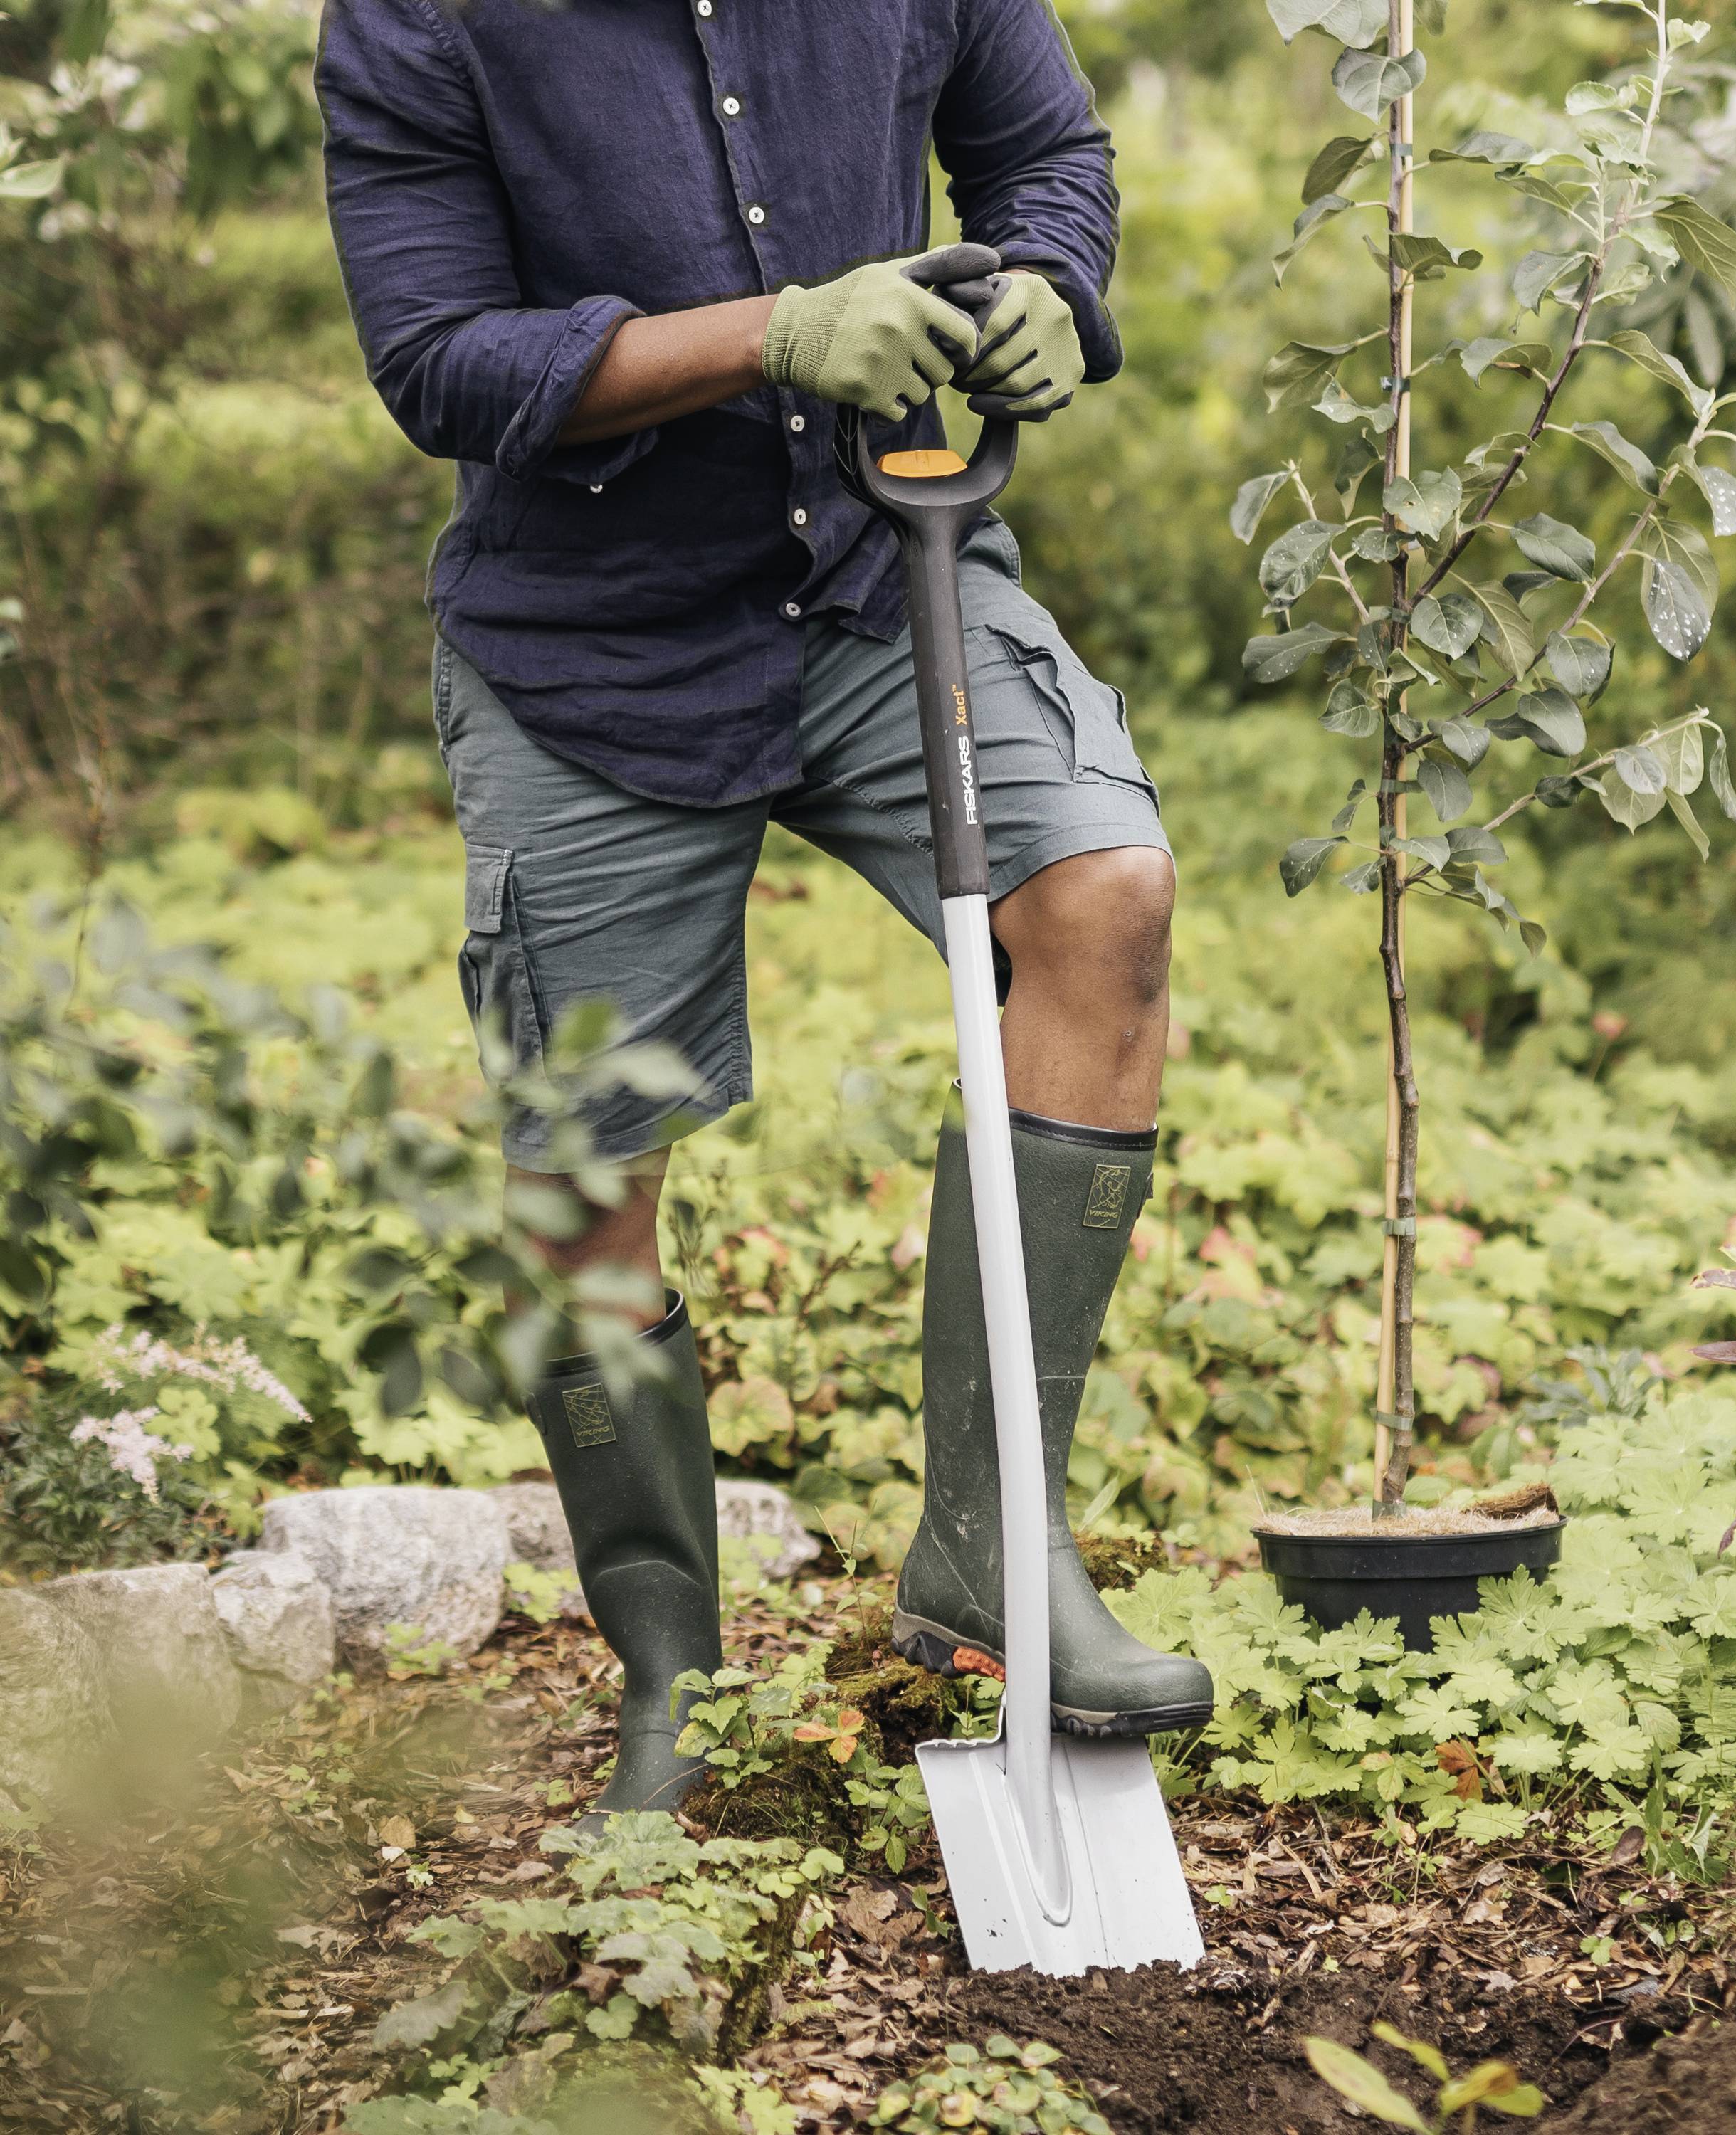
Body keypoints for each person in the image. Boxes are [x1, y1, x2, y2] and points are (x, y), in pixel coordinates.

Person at [314, 0, 1214, 1820]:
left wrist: (1047, 276)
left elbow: (1045, 151)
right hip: (592, 653)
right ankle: (670, 1679)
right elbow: (437, 363)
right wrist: (767, 339)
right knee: (588, 1170)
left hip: (885, 581)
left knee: (1104, 891)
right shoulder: (415, 16)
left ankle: (992, 1558)